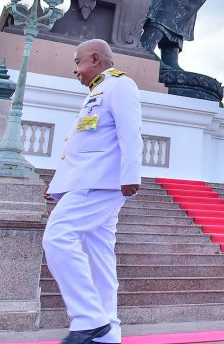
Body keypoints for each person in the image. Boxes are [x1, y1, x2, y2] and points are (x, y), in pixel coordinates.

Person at [43, 39, 143, 344]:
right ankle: (107, 334)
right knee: (99, 258)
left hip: (102, 182)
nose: (75, 70)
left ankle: (89, 320)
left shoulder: (119, 86)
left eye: (78, 62)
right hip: (89, 180)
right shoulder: (98, 92)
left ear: (95, 58)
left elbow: (131, 131)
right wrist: (59, 186)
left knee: (57, 237)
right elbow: (84, 145)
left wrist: (130, 174)